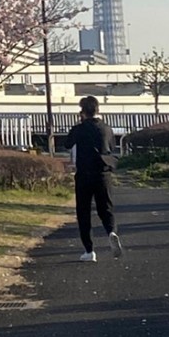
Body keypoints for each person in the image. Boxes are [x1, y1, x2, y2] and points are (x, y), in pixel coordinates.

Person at [63, 94, 123, 262]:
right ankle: (111, 231)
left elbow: (67, 144)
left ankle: (89, 251)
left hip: (84, 174)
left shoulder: (79, 129)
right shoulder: (107, 128)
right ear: (98, 109)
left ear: (83, 111)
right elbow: (111, 147)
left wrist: (78, 124)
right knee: (106, 208)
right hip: (103, 173)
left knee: (84, 212)